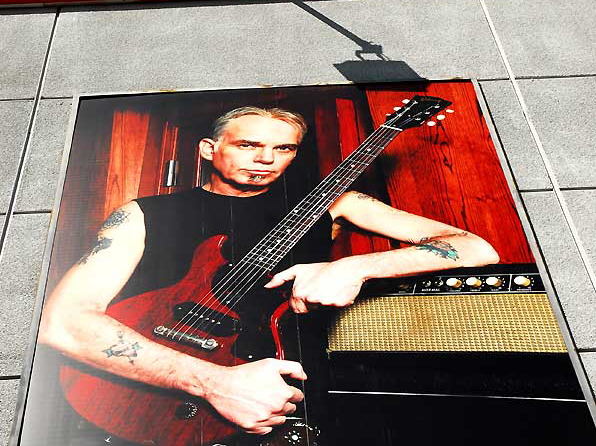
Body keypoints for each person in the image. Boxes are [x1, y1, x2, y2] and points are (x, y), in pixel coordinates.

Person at [40, 106, 499, 442]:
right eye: (248, 145)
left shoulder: (335, 203)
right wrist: (213, 381)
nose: (266, 159)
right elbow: (62, 322)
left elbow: (476, 247)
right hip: (120, 391)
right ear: (208, 149)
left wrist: (358, 265)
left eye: (283, 149)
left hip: (282, 394)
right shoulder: (143, 214)